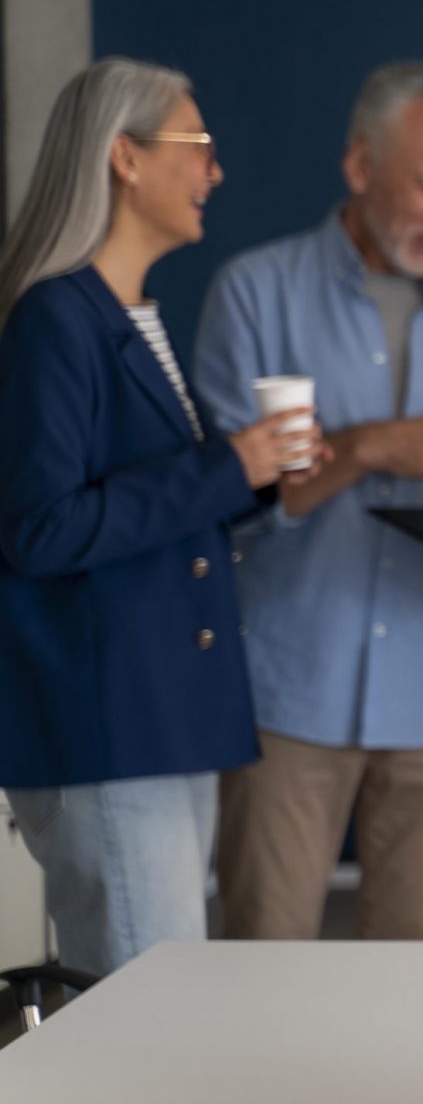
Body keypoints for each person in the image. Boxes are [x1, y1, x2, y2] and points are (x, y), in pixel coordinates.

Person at [191, 61, 423, 941]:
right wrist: (378, 445)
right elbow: (225, 497)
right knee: (261, 959)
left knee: (410, 978)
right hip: (288, 687)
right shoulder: (253, 293)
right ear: (359, 167)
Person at [0, 58, 322, 975]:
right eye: (200, 146)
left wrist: (260, 479)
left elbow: (154, 508)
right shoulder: (54, 321)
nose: (215, 171)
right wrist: (233, 463)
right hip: (110, 731)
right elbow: (40, 529)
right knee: (149, 1019)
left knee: (163, 1004)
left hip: (163, 722)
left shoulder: (129, 316)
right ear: (125, 159)